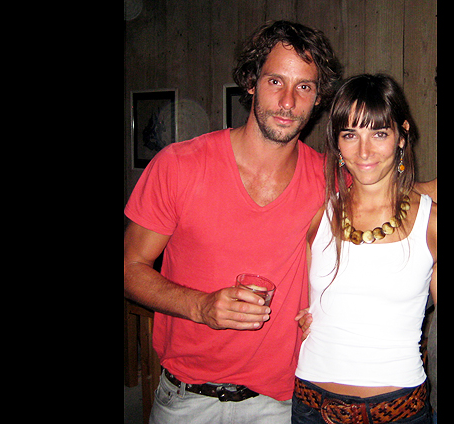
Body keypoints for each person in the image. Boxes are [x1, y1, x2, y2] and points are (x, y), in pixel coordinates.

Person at [123, 20, 342, 424]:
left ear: (318, 98)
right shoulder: (178, 166)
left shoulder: (330, 180)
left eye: (304, 87)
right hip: (186, 400)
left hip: (280, 402)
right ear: (251, 82)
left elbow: (395, 200)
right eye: (275, 81)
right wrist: (200, 306)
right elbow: (130, 268)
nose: (288, 102)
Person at [292, 74, 437, 424]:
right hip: (311, 408)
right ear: (337, 142)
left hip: (400, 411)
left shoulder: (430, 222)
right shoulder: (319, 216)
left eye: (379, 134)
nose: (364, 151)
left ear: (402, 135)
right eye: (350, 135)